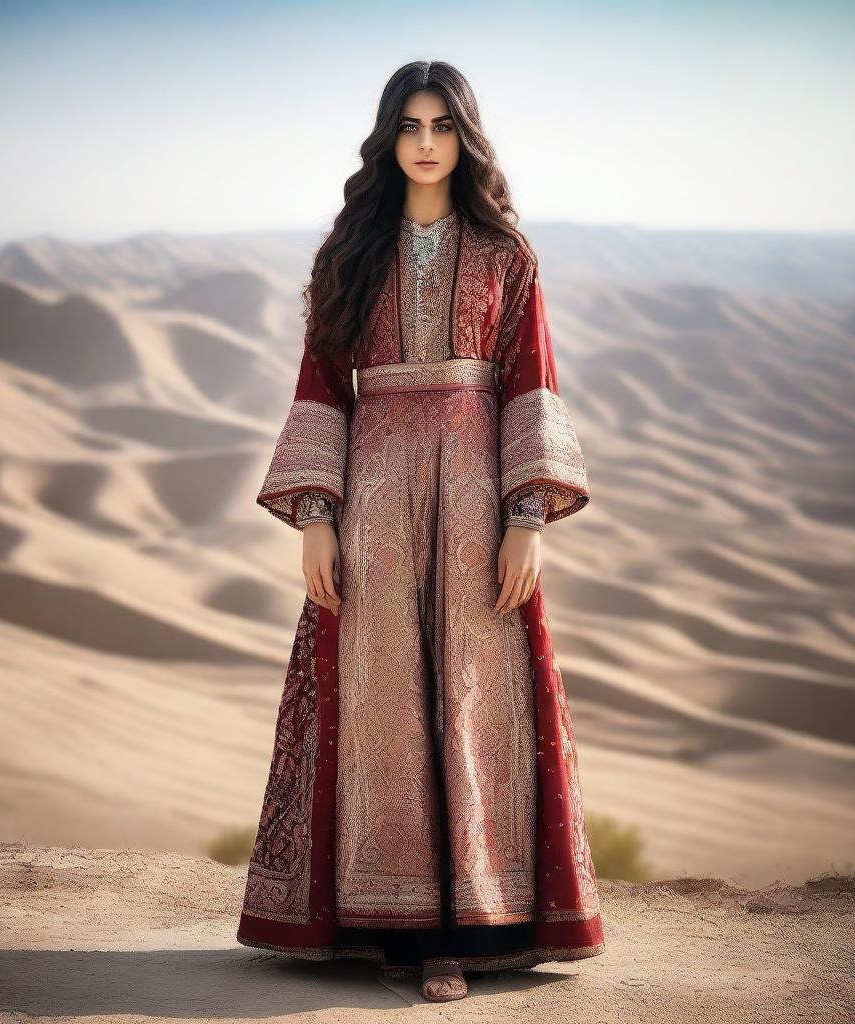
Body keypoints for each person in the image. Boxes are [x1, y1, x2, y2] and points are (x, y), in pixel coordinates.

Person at [237, 59, 606, 1003]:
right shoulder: (348, 255)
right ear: (388, 137)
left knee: (477, 698)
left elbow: (532, 381)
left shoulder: (508, 258)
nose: (428, 141)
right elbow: (321, 384)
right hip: (372, 498)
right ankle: (394, 934)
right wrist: (314, 520)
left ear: (466, 136)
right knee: (382, 706)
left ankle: (478, 922)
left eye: (444, 125)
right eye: (410, 125)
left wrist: (528, 519)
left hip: (480, 494)